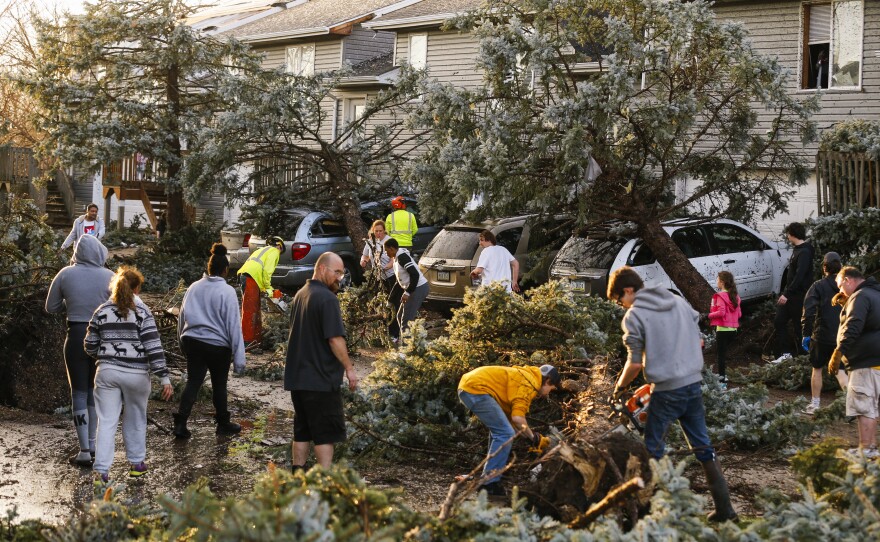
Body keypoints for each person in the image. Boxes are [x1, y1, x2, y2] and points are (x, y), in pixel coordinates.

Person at [608, 266, 737, 522]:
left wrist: (619, 388)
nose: (621, 305)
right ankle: (726, 511)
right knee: (703, 447)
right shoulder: (676, 301)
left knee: (652, 451)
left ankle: (645, 516)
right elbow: (699, 340)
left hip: (666, 391)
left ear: (628, 290)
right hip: (692, 385)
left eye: (619, 299)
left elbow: (634, 364)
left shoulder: (634, 316)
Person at [84, 266, 173, 483]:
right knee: (135, 419)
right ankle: (136, 465)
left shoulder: (101, 311)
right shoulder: (143, 313)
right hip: (136, 375)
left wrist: (105, 353)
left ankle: (102, 472)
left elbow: (89, 345)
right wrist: (164, 377)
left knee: (106, 422)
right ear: (137, 289)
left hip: (107, 373)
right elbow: (153, 346)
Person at [284, 252, 359, 470]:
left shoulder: (301, 294)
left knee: (302, 430)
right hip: (320, 379)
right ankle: (323, 480)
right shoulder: (327, 299)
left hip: (299, 378)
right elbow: (335, 339)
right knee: (324, 434)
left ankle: (297, 475)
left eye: (342, 273)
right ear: (322, 269)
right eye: (336, 272)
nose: (340, 278)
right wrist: (349, 368)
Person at [45, 235, 115, 466]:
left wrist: (71, 301)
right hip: (102, 339)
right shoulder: (110, 277)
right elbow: (122, 307)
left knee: (78, 393)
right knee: (94, 392)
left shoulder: (65, 274)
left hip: (75, 335)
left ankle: (84, 450)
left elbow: (50, 306)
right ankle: (94, 445)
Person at [174, 243, 247, 439]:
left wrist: (182, 342)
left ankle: (180, 423)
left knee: (193, 382)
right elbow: (234, 325)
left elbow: (182, 317)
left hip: (193, 341)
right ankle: (223, 423)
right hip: (217, 347)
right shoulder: (227, 291)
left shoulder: (193, 287)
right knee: (219, 385)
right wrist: (239, 360)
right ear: (225, 270)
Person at [457, 364, 561, 495]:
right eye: (551, 388)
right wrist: (533, 437)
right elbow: (518, 419)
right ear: (548, 381)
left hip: (470, 386)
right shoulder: (529, 384)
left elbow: (513, 422)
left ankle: (490, 477)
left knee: (501, 431)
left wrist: (532, 438)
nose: (548, 393)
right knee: (504, 433)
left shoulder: (525, 376)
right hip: (475, 389)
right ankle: (489, 483)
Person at [829, 266, 880, 457]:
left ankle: (866, 448)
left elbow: (854, 326)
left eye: (840, 286)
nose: (839, 291)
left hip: (865, 360)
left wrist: (838, 352)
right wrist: (846, 304)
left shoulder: (860, 297)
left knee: (864, 403)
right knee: (873, 405)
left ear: (848, 280)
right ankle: (872, 447)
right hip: (876, 360)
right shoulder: (874, 294)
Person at [801, 252, 848, 415]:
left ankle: (815, 404)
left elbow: (809, 310)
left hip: (821, 335)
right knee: (840, 370)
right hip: (841, 336)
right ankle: (853, 404)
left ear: (824, 267)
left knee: (817, 369)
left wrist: (806, 333)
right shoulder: (846, 286)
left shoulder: (818, 286)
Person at [771, 222, 815, 364]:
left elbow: (800, 276)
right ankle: (786, 353)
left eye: (788, 234)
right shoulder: (798, 249)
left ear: (792, 234)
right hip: (790, 294)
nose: (787, 237)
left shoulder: (805, 252)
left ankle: (804, 357)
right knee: (779, 321)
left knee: (798, 326)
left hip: (798, 296)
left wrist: (787, 294)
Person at [237, 236, 284, 345]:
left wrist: (264, 289)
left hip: (246, 276)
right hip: (251, 278)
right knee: (250, 311)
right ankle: (247, 341)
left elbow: (259, 270)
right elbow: (267, 272)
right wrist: (269, 290)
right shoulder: (275, 252)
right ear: (279, 246)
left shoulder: (262, 250)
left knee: (255, 309)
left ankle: (255, 340)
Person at [384, 238, 430, 342]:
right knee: (400, 316)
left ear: (391, 249)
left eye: (386, 250)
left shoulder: (402, 257)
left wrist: (407, 292)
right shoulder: (396, 258)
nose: (386, 253)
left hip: (418, 288)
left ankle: (406, 351)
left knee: (406, 320)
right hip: (412, 288)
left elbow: (415, 275)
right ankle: (409, 343)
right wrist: (390, 299)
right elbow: (398, 281)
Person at [709, 271, 741, 385]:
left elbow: (721, 313)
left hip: (722, 330)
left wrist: (708, 315)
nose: (716, 281)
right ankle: (724, 376)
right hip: (733, 330)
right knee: (724, 354)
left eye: (717, 279)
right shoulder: (735, 296)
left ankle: (722, 381)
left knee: (720, 356)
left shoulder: (720, 296)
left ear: (722, 282)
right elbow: (739, 314)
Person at [360, 219, 395, 292]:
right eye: (376, 231)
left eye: (380, 231)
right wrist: (363, 261)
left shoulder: (390, 241)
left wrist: (386, 267)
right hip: (377, 276)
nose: (378, 233)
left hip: (390, 276)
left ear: (384, 231)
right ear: (373, 231)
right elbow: (365, 255)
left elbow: (393, 259)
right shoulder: (370, 242)